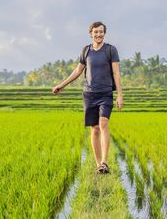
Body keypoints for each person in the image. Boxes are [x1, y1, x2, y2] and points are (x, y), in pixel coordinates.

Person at [52, 21, 123, 174]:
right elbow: (77, 71)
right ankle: (99, 165)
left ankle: (104, 161)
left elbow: (116, 73)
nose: (98, 34)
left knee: (103, 123)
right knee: (94, 128)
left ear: (104, 33)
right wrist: (61, 85)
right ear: (91, 33)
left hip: (105, 93)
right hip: (89, 94)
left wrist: (119, 95)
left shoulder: (111, 50)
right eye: (96, 32)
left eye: (101, 32)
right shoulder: (86, 50)